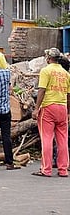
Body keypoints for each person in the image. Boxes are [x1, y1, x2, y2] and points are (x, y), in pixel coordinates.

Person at [31, 48, 70, 178]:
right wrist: (68, 111)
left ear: (48, 58)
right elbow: (69, 95)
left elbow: (42, 90)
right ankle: (63, 169)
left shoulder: (46, 71)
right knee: (62, 139)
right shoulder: (66, 73)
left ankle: (46, 169)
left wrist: (36, 109)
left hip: (48, 107)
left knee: (47, 138)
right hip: (62, 107)